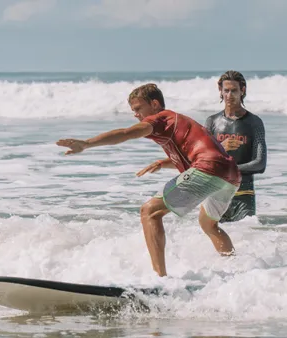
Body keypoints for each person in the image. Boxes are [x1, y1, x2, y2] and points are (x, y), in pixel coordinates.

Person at [56, 83, 241, 277]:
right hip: (230, 175)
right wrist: (164, 163)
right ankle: (234, 269)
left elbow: (127, 133)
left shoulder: (160, 118)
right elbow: (202, 153)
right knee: (209, 224)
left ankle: (159, 278)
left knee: (149, 212)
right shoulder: (179, 121)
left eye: (138, 109)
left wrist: (87, 144)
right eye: (133, 111)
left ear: (154, 104)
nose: (136, 115)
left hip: (208, 168)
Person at [204, 70, 267, 223]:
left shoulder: (254, 123)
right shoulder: (212, 122)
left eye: (234, 90)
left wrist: (229, 169)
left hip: (243, 195)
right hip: (216, 195)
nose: (229, 95)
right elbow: (203, 160)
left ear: (242, 90)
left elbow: (260, 164)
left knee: (246, 239)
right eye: (226, 90)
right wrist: (220, 147)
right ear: (220, 91)